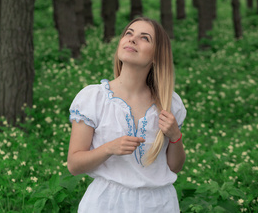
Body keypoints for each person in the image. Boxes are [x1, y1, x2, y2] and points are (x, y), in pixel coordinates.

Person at [67, 17, 186, 212]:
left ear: (157, 55)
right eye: (129, 34)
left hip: (159, 204)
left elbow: (174, 166)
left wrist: (175, 136)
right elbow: (74, 165)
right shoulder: (94, 98)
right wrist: (109, 148)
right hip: (106, 203)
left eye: (144, 38)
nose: (132, 39)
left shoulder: (169, 103)